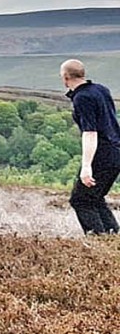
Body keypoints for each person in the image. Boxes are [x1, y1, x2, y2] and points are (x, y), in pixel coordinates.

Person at [60, 59, 120, 235]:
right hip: (115, 150)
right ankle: (113, 239)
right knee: (94, 198)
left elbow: (90, 132)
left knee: (81, 201)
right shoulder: (101, 89)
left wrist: (86, 167)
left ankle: (100, 243)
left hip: (102, 154)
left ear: (65, 77)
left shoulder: (82, 98)